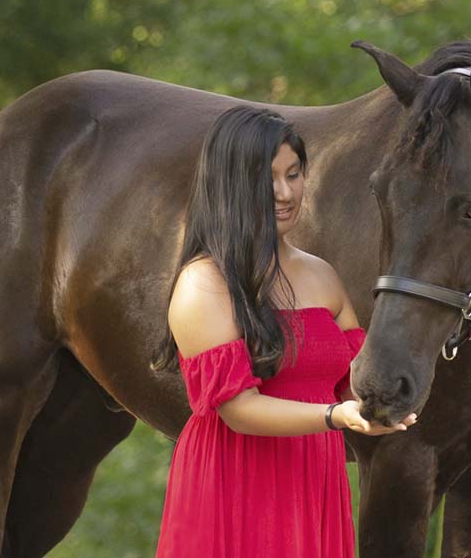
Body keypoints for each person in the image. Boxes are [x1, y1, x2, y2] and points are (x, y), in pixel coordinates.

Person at [150, 105, 417, 557]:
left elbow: (352, 377)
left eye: (293, 174)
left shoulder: (321, 275)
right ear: (229, 184)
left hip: (312, 476)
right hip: (235, 481)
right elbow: (239, 410)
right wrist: (334, 417)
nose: (284, 192)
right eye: (266, 178)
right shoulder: (203, 283)